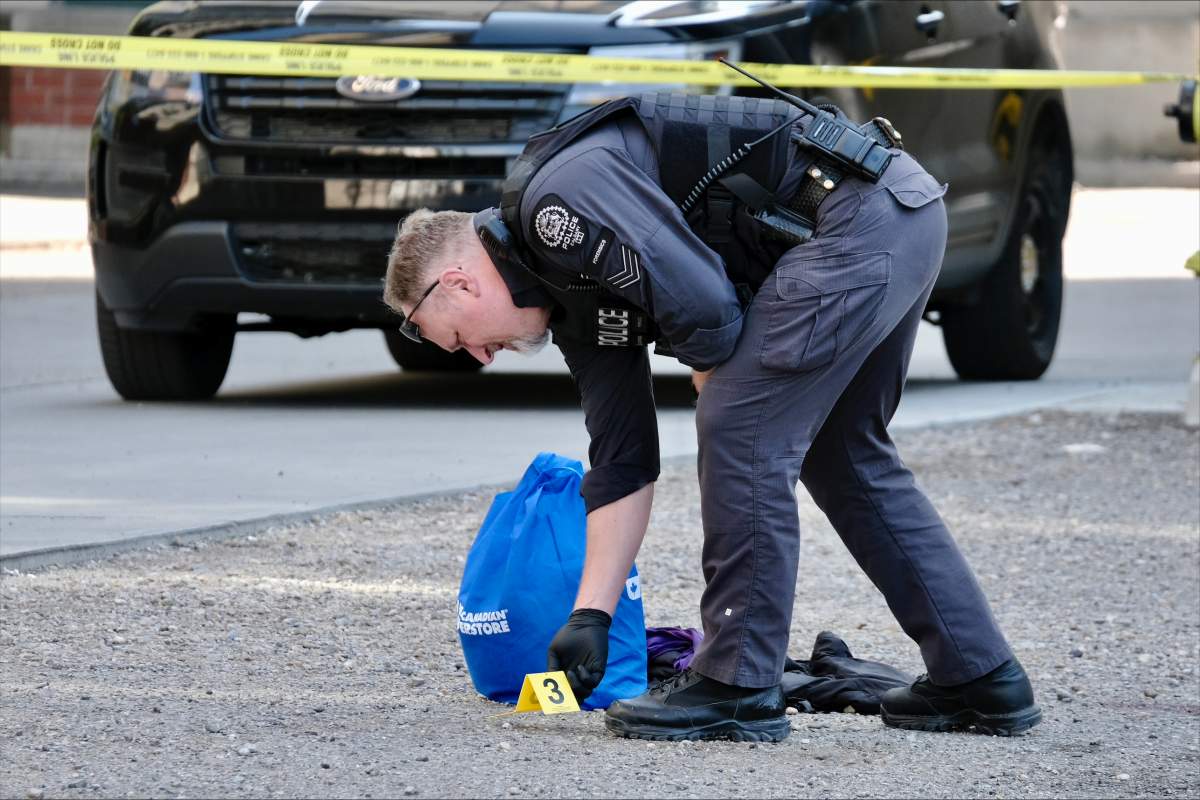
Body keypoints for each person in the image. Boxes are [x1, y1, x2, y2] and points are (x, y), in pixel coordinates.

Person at [382, 91, 1041, 742]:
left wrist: (729, 411)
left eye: (461, 339)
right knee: (844, 456)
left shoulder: (561, 198)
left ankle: (736, 685)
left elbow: (703, 307)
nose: (481, 358)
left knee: (739, 425)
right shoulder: (568, 291)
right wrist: (592, 616)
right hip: (894, 215)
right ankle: (979, 675)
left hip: (857, 219)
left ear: (460, 284)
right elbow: (623, 460)